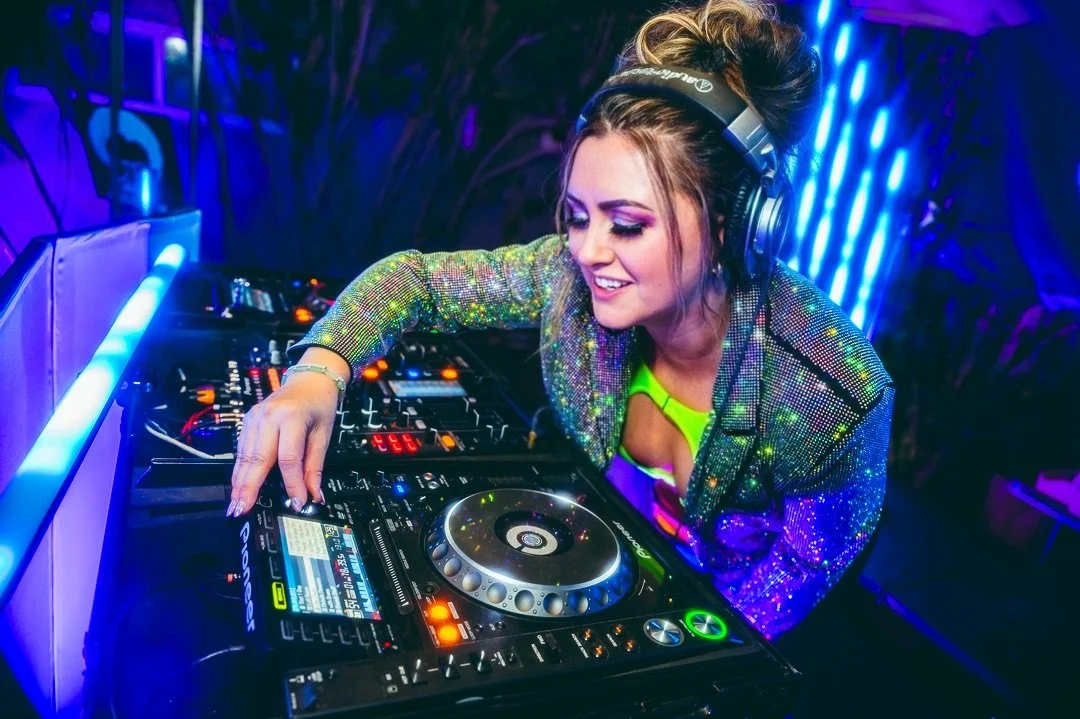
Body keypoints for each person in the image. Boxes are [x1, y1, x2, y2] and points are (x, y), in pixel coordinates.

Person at [227, 0, 894, 639]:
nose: (588, 250)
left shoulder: (831, 395)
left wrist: (681, 647)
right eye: (577, 215)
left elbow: (801, 569)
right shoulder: (565, 277)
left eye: (627, 224)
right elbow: (417, 279)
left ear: (734, 223)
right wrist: (318, 371)